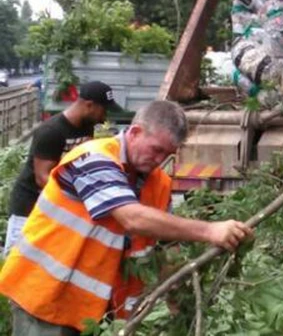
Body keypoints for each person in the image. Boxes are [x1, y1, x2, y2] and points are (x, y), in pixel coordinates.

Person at [0, 100, 254, 335]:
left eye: (167, 154)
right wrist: (210, 231)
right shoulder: (94, 158)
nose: (159, 160)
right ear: (134, 132)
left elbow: (166, 249)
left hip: (97, 313)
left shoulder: (158, 184)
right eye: (156, 149)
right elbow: (132, 218)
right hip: (45, 297)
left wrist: (178, 299)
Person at [4, 80, 121, 256]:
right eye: (103, 110)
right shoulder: (51, 131)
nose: (105, 117)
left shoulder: (86, 128)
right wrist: (83, 195)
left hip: (57, 204)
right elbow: (42, 178)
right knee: (17, 257)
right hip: (29, 205)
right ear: (89, 105)